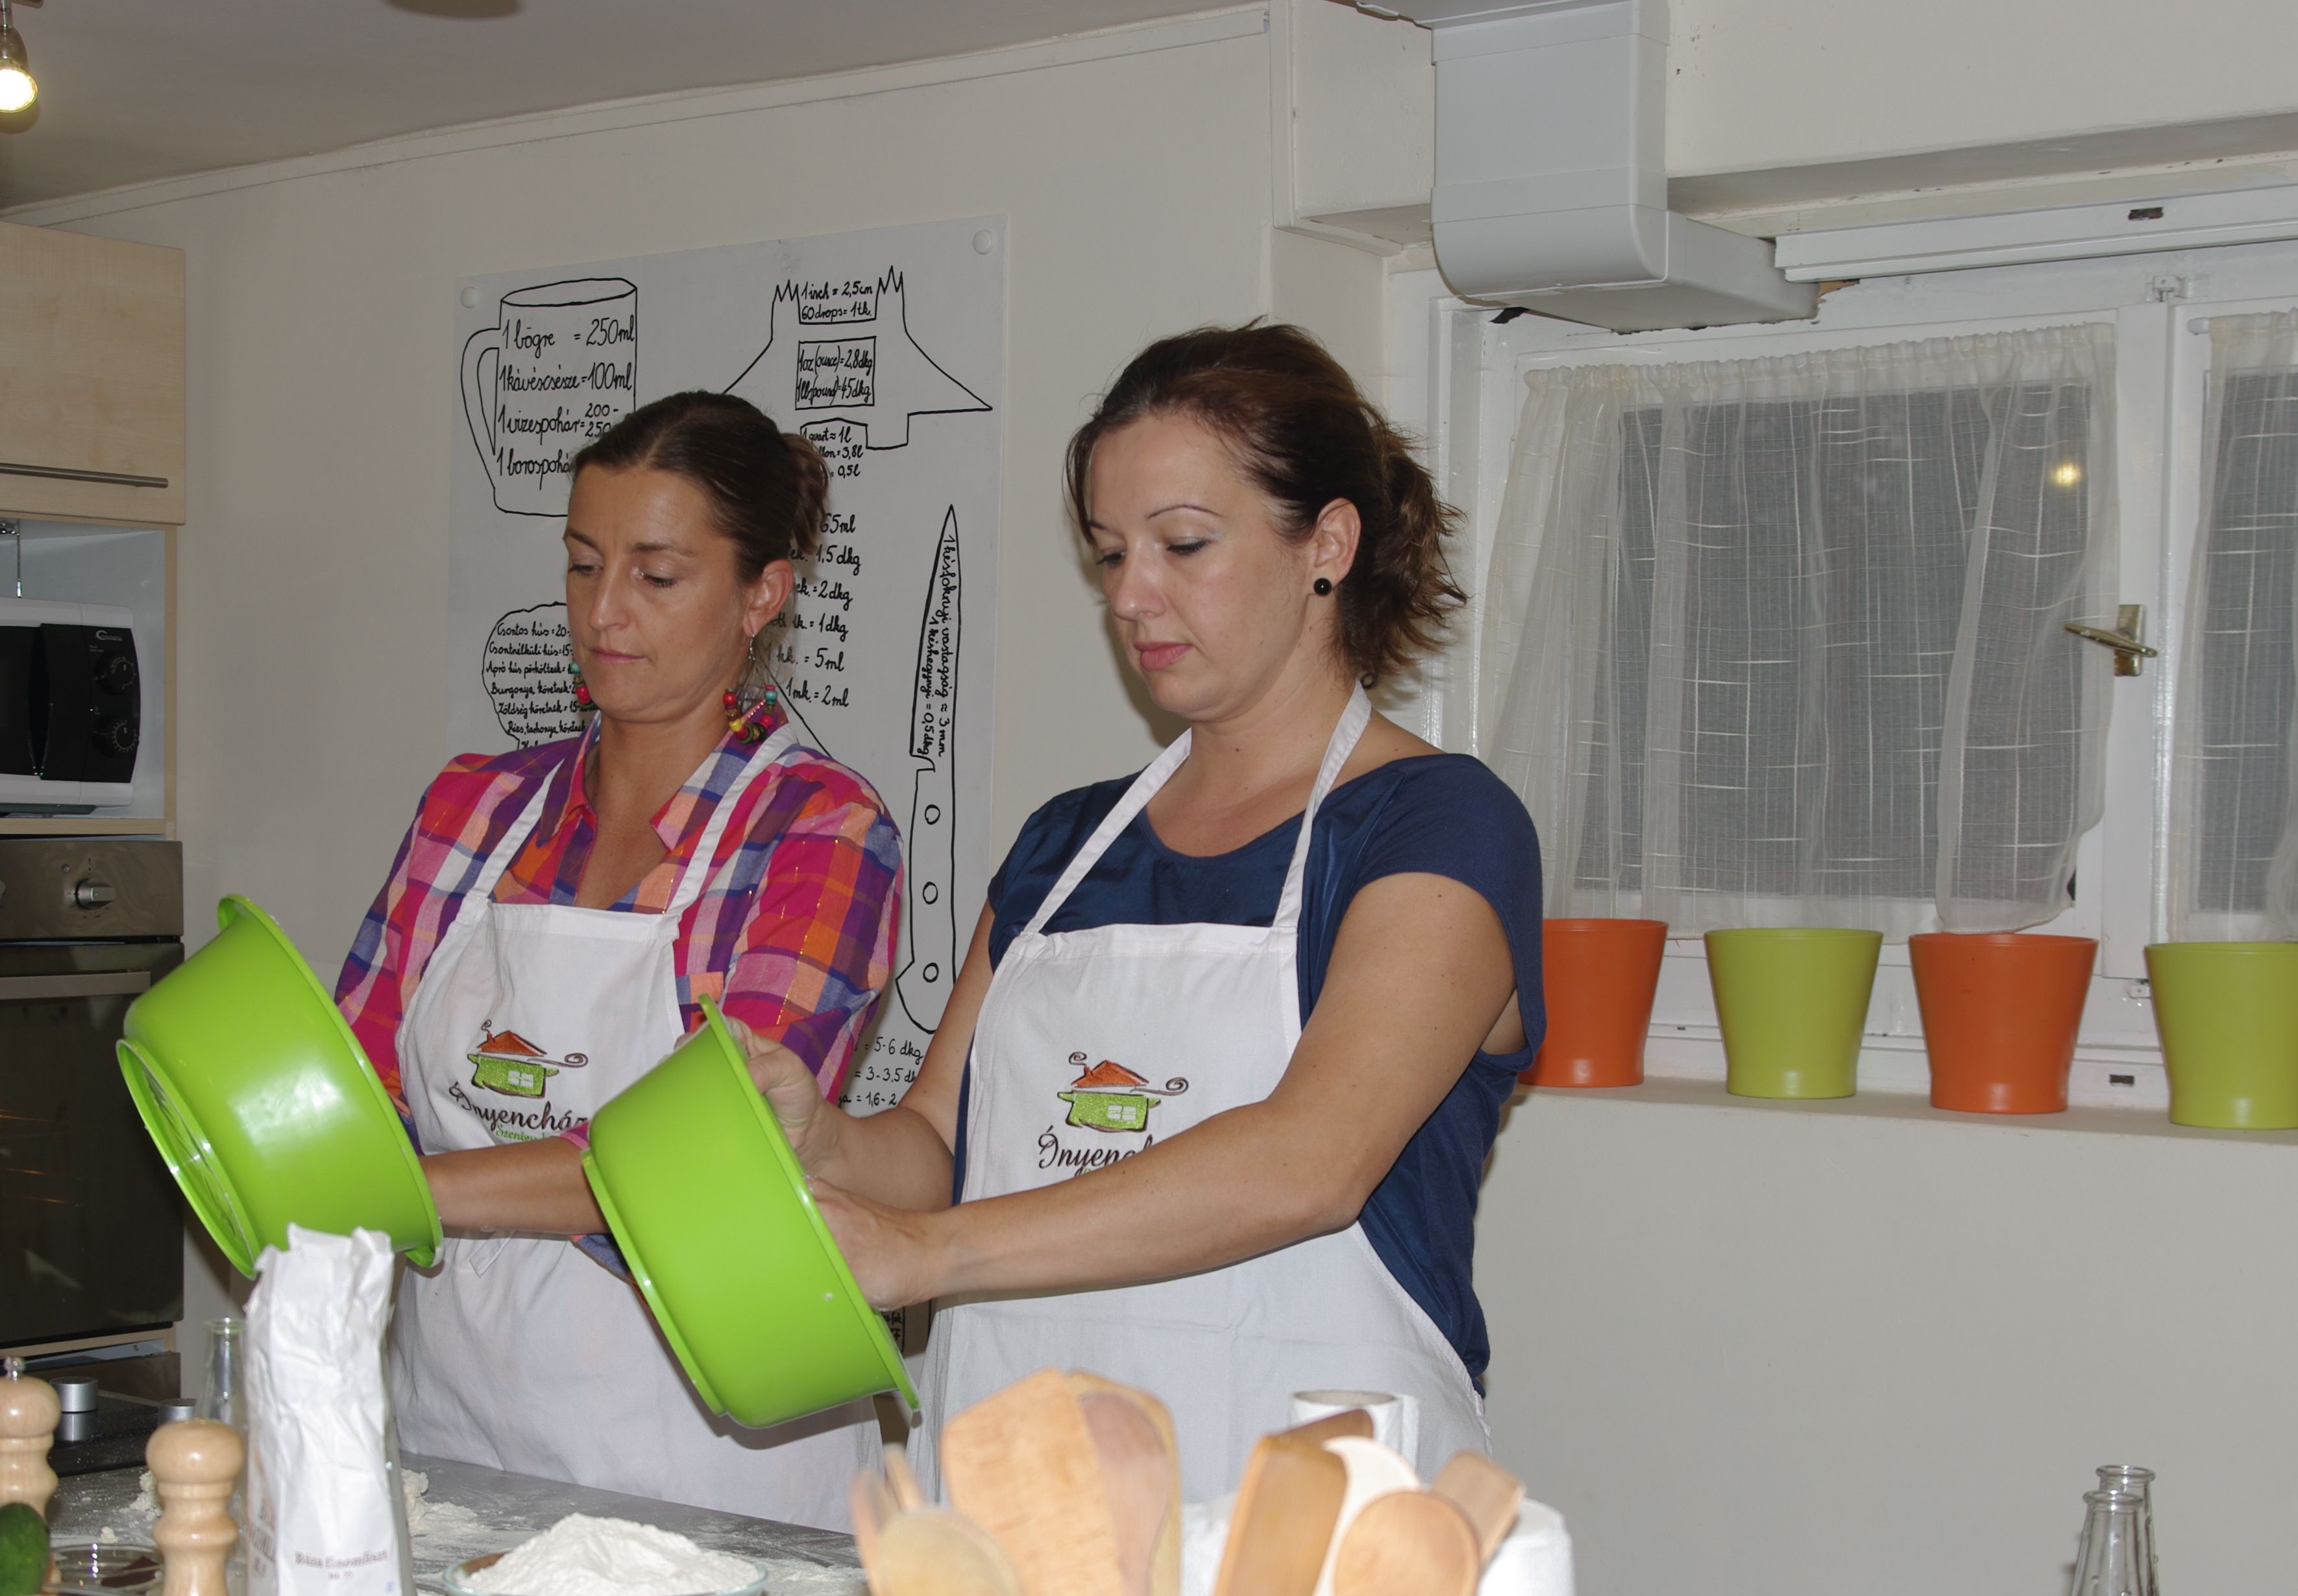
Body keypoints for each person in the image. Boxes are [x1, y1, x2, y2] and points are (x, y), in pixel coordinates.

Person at [750, 325, 1541, 1499]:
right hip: (1027, 1507)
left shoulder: (1435, 824)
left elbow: (1309, 1162)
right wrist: (827, 1144)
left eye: (1183, 544)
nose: (1132, 595)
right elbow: (937, 1146)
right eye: (1110, 554)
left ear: (1327, 542)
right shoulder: (1066, 844)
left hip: (1308, 1536)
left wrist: (926, 1254)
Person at [338, 391, 901, 1527]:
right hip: (462, 1434)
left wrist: (401, 1198)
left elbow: (693, 1160)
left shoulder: (818, 830)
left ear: (762, 594)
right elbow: (359, 1093)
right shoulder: (473, 808)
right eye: (583, 565)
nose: (604, 614)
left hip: (710, 1456)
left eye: (656, 575)